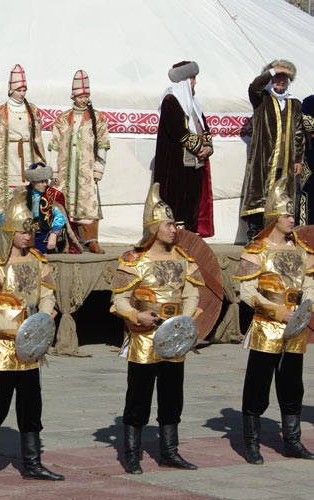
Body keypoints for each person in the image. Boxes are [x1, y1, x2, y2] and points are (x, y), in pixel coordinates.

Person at [0, 192, 64, 487]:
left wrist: (41, 323)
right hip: (3, 349)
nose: (28, 234)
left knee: (31, 407)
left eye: (31, 229)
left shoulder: (38, 261)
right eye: (22, 229)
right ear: (10, 231)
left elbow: (47, 298)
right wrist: (18, 331)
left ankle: (33, 463)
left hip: (31, 350)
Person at [110, 183, 205, 475]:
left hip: (174, 339)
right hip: (144, 339)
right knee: (138, 396)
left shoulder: (183, 259)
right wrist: (137, 317)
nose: (173, 229)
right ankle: (131, 453)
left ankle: (170, 451)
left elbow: (192, 294)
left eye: (174, 224)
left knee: (172, 395)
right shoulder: (135, 260)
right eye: (167, 224)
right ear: (154, 227)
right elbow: (119, 299)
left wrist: (183, 322)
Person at [234, 178, 314, 464]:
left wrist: (305, 307)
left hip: (295, 327)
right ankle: (251, 443)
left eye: (293, 214)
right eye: (287, 215)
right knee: (258, 383)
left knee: (292, 384)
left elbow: (309, 282)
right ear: (274, 218)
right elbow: (246, 291)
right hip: (267, 326)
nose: (293, 219)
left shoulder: (301, 249)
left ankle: (292, 441)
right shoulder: (257, 250)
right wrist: (276, 312)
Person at [240, 60, 304, 242]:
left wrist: (298, 158)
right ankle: (256, 234)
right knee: (260, 196)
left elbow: (298, 133)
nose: (281, 81)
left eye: (285, 78)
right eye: (277, 77)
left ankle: (281, 235)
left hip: (286, 162)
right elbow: (254, 86)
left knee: (283, 197)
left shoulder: (294, 104)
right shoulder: (262, 99)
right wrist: (273, 70)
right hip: (264, 159)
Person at [48, 70, 110, 253]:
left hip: (86, 170)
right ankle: (66, 239)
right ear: (73, 96)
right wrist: (54, 171)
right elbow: (54, 145)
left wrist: (98, 169)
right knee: (64, 202)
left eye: (86, 96)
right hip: (66, 169)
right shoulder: (62, 119)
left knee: (88, 201)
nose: (84, 99)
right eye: (80, 96)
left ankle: (91, 239)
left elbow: (103, 145)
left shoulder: (97, 118)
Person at [152, 61, 213, 237]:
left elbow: (204, 127)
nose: (195, 82)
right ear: (185, 80)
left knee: (193, 202)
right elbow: (179, 131)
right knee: (176, 202)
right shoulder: (171, 102)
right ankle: (176, 238)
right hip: (176, 164)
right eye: (192, 78)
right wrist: (200, 146)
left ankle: (191, 235)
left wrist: (208, 147)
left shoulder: (194, 104)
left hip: (195, 163)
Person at [0, 64, 45, 221]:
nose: (22, 93)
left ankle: (28, 230)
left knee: (27, 194)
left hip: (27, 156)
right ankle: (8, 231)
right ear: (11, 90)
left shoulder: (33, 110)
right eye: (19, 90)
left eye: (24, 90)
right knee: (9, 194)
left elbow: (37, 137)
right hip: (9, 157)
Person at [22, 162, 80, 255]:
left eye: (46, 181)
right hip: (26, 233)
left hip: (47, 233)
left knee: (45, 242)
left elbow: (60, 217)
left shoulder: (54, 195)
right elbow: (8, 216)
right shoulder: (21, 194)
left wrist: (53, 234)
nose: (45, 184)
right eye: (41, 181)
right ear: (32, 181)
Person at [297, 94, 314, 226]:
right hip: (311, 157)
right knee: (308, 192)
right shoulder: (309, 102)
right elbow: (307, 125)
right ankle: (305, 231)